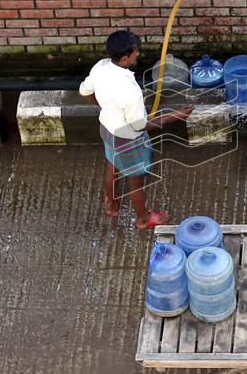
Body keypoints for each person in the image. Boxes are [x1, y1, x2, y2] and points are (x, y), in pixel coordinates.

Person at [80, 30, 192, 227]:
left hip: (107, 128)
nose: (138, 54)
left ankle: (112, 204)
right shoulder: (130, 90)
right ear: (124, 58)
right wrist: (176, 116)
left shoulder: (101, 67)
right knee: (135, 179)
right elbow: (139, 126)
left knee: (112, 164)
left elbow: (84, 92)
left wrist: (105, 107)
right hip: (127, 139)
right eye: (135, 53)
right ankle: (143, 219)